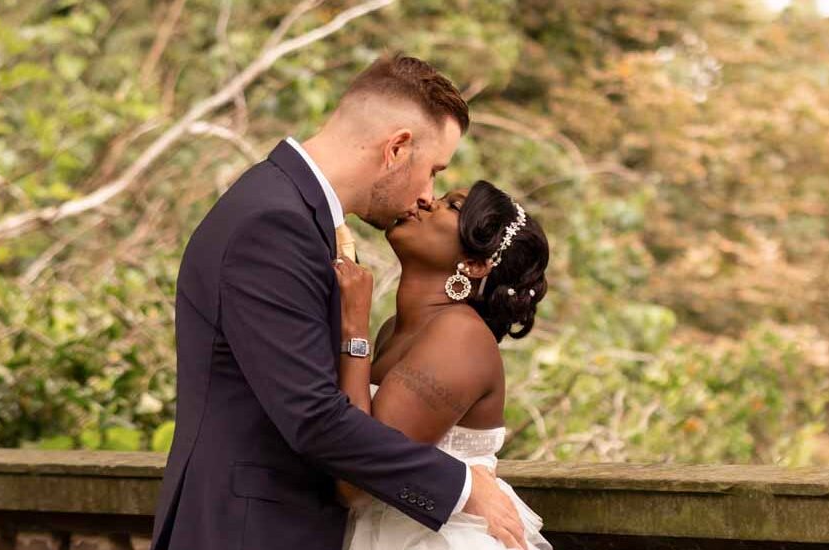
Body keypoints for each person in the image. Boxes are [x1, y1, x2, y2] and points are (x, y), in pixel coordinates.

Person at [150, 54, 529, 550]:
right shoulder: (275, 224)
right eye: (433, 171)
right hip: (248, 531)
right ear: (396, 149)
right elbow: (313, 416)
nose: (425, 195)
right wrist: (460, 486)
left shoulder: (281, 207)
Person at [334, 181, 552, 550]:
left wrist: (355, 330)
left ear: (476, 264)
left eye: (451, 206)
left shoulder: (460, 337)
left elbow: (356, 481)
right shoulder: (394, 329)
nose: (424, 200)